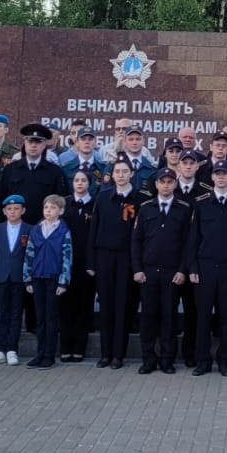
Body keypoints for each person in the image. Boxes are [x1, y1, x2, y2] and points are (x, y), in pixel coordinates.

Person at [187, 159, 227, 376]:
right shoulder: (201, 203)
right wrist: (193, 267)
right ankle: (203, 361)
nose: (222, 177)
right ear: (212, 177)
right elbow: (193, 238)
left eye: (225, 174)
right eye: (218, 174)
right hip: (205, 267)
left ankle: (225, 360)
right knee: (202, 316)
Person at [132, 168, 192, 374]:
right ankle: (148, 359)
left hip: (172, 272)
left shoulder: (183, 209)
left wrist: (183, 270)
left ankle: (167, 359)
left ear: (175, 184)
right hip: (148, 272)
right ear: (156, 185)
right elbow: (136, 241)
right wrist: (137, 269)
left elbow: (188, 244)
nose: (166, 185)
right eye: (162, 182)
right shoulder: (145, 208)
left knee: (169, 317)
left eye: (169, 182)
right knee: (148, 317)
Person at [90, 157, 143, 368]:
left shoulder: (139, 198)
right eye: (117, 171)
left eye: (124, 171)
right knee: (106, 306)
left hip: (127, 258)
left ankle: (118, 355)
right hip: (104, 257)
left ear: (131, 174)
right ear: (112, 175)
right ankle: (105, 354)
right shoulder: (103, 198)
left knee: (123, 306)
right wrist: (91, 262)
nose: (120, 175)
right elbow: (93, 230)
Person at [24, 195, 74, 369]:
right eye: (46, 208)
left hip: (53, 278)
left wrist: (63, 281)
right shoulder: (36, 229)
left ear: (60, 211)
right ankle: (40, 353)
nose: (49, 211)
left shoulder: (63, 231)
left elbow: (67, 257)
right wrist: (27, 277)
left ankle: (49, 355)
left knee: (51, 317)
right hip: (38, 277)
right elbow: (29, 254)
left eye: (53, 208)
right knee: (40, 318)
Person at [0, 194, 30, 366]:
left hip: (19, 277)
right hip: (2, 276)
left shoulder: (29, 229)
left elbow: (29, 256)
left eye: (17, 209)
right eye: (9, 209)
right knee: (2, 313)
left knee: (16, 313)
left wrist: (28, 278)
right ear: (4, 211)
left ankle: (12, 349)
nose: (13, 212)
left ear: (23, 210)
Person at [0, 123, 68, 223]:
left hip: (43, 227)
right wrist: (0, 224)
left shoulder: (54, 171)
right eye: (30, 141)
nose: (33, 145)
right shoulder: (11, 169)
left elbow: (60, 201)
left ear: (44, 144)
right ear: (25, 142)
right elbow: (0, 197)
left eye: (38, 142)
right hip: (15, 225)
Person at [59, 169, 97, 362]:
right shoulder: (64, 204)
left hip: (86, 264)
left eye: (83, 180)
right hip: (66, 263)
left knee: (84, 306)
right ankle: (65, 346)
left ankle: (79, 348)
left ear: (89, 183)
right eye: (76, 180)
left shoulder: (95, 204)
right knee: (65, 306)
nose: (80, 183)